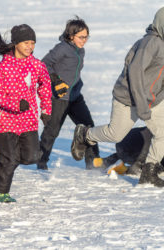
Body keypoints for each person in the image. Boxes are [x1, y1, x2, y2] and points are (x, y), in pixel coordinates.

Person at [71, 7, 164, 187]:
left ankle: (149, 172)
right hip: (129, 98)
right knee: (115, 133)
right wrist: (142, 104)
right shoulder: (151, 42)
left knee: (163, 132)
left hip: (153, 99)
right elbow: (135, 72)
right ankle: (85, 134)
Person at [0, 24, 52, 202]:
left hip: (27, 120)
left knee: (31, 157)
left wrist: (46, 110)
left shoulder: (37, 65)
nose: (29, 47)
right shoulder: (3, 67)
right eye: (26, 43)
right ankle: (0, 191)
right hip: (4, 121)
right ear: (15, 43)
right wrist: (15, 104)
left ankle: (6, 164)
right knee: (10, 159)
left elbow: (45, 87)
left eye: (32, 43)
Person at [37, 16, 100, 170]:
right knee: (52, 130)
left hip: (75, 96)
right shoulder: (62, 48)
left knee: (88, 128)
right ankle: (41, 160)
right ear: (71, 36)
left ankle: (94, 162)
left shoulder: (80, 50)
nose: (84, 40)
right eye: (81, 37)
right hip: (60, 97)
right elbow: (43, 64)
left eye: (86, 37)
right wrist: (55, 80)